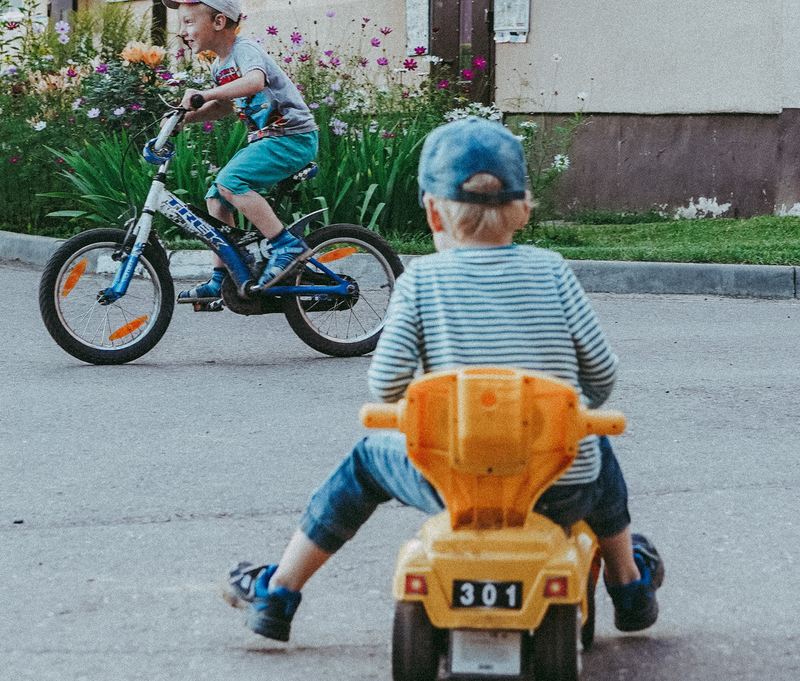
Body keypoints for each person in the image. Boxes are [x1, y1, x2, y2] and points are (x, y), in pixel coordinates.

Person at [223, 116, 662, 643]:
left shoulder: (421, 282)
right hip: (558, 489)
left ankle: (279, 593)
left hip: (454, 485)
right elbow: (603, 376)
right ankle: (629, 586)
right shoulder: (553, 271)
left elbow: (384, 387)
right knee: (594, 450)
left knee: (363, 465)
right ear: (524, 209)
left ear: (432, 211)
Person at [166, 0, 319, 298]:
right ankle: (225, 274)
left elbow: (253, 82)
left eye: (189, 21)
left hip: (292, 136)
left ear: (219, 21)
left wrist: (204, 94)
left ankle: (286, 246)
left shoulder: (245, 50)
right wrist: (184, 117)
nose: (183, 31)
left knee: (231, 182)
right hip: (268, 140)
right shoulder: (220, 66)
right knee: (216, 197)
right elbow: (221, 107)